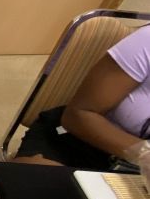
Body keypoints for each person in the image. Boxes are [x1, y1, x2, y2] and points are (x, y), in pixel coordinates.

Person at [14, 24, 150, 172]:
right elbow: (78, 115)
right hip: (76, 139)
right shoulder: (146, 41)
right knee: (48, 190)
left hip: (132, 167)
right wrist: (143, 154)